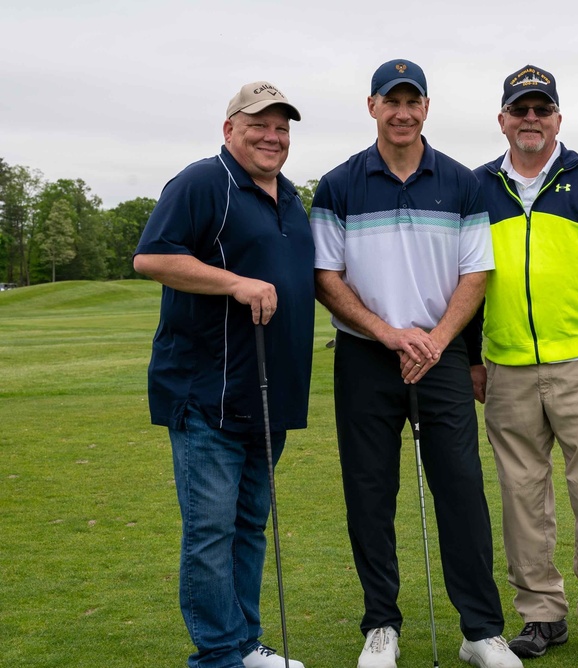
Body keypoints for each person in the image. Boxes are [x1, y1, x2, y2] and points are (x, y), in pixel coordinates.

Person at [310, 59, 522, 668]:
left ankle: (480, 631)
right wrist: (388, 334)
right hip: (365, 357)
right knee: (370, 493)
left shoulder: (461, 183)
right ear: (372, 106)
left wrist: (432, 340)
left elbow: (476, 273)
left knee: (460, 490)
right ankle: (381, 625)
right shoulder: (339, 184)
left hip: (442, 356)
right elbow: (326, 276)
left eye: (413, 101)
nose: (402, 112)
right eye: (390, 100)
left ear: (426, 108)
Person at [133, 82, 314, 668]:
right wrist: (234, 282)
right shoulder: (203, 181)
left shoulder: (289, 197)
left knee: (248, 528)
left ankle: (244, 644)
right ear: (229, 127)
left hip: (267, 396)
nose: (272, 135)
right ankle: (217, 655)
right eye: (258, 123)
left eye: (282, 126)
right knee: (211, 534)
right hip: (206, 393)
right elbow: (153, 257)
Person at [471, 65, 578, 667]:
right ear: (502, 120)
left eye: (541, 109)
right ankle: (541, 615)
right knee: (522, 496)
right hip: (508, 367)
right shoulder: (479, 186)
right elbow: (464, 281)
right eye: (520, 110)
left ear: (557, 119)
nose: (530, 119)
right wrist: (473, 356)